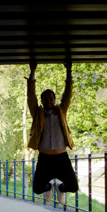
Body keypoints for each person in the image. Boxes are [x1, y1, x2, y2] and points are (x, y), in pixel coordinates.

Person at [27, 61, 79, 204]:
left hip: (62, 158)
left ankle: (60, 188)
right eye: (46, 99)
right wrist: (32, 73)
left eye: (51, 98)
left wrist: (69, 73)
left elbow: (68, 94)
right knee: (37, 188)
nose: (49, 101)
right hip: (44, 159)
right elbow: (31, 97)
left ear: (55, 100)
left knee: (74, 186)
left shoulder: (61, 112)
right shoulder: (37, 114)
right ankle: (49, 186)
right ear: (42, 101)